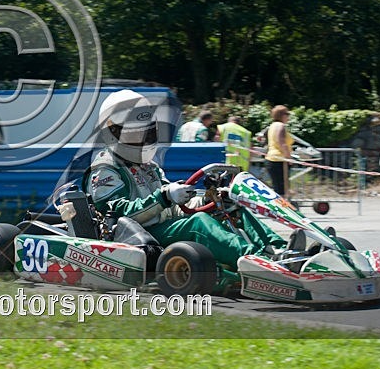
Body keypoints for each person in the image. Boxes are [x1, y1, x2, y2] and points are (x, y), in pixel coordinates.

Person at [83, 90, 290, 268]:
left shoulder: (148, 166)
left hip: (164, 224)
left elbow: (173, 203)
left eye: (145, 134)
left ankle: (279, 250)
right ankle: (256, 259)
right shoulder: (105, 169)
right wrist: (164, 196)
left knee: (230, 206)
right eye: (134, 136)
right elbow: (117, 214)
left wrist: (206, 200)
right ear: (113, 133)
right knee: (197, 223)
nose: (141, 141)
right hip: (138, 236)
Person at [265, 105, 293, 198]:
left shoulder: (272, 126)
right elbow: (281, 142)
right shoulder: (281, 126)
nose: (288, 117)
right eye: (287, 114)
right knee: (282, 189)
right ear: (282, 115)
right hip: (279, 160)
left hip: (272, 158)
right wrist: (289, 158)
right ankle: (282, 208)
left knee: (278, 187)